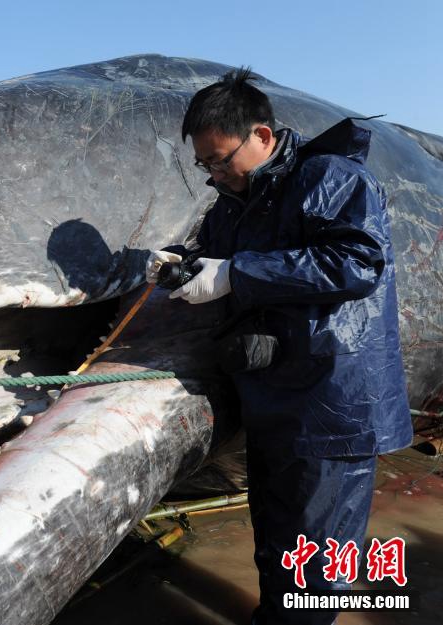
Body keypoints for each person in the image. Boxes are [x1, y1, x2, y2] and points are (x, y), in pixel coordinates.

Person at [145, 68, 412, 624]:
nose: (215, 174)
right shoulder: (233, 206)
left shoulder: (330, 179)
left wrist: (236, 275)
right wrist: (178, 263)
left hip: (332, 404)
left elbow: (356, 263)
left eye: (222, 159)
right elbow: (215, 259)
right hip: (273, 403)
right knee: (275, 543)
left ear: (262, 136)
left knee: (316, 569)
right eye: (204, 165)